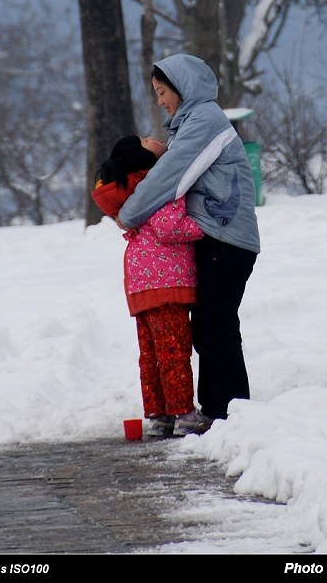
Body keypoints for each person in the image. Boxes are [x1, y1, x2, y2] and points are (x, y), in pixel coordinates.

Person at [116, 55, 261, 435]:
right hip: (216, 235)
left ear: (182, 87)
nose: (161, 101)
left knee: (215, 325)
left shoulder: (204, 122)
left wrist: (128, 213)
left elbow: (170, 177)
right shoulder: (189, 125)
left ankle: (227, 412)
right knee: (210, 326)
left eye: (163, 92)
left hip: (227, 238)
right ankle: (221, 410)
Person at [91, 135, 206, 437]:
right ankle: (183, 413)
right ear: (144, 161)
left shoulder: (130, 194)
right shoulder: (158, 188)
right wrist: (204, 226)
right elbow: (169, 227)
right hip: (166, 283)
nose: (153, 137)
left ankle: (160, 414)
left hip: (141, 285)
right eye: (146, 140)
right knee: (174, 352)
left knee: (152, 354)